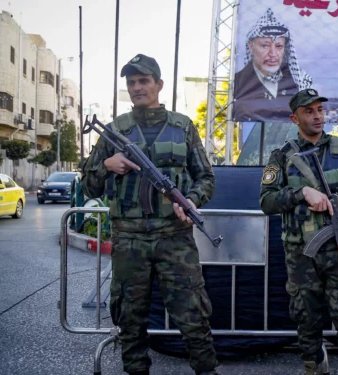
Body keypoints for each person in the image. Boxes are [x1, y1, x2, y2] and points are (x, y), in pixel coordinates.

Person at [81, 54, 220, 375]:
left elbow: (206, 178)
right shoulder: (115, 130)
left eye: (144, 81)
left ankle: (207, 369)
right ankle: (135, 370)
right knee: (130, 316)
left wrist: (191, 199)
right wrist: (106, 165)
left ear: (159, 84)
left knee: (193, 313)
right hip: (129, 238)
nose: (137, 87)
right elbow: (88, 187)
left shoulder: (183, 127)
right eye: (131, 82)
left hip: (175, 237)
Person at [259, 88, 338, 375]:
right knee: (305, 314)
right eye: (309, 111)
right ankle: (313, 364)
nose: (317, 116)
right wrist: (302, 193)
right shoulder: (282, 156)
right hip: (300, 252)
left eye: (320, 110)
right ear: (294, 117)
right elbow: (267, 201)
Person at [233, 8, 313, 121]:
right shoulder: (238, 82)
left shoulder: (300, 82)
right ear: (251, 47)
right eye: (265, 46)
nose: (273, 54)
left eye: (279, 46)